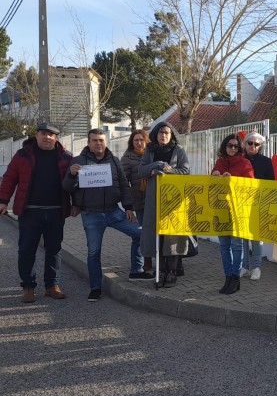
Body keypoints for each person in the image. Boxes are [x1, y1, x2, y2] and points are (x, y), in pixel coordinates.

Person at [63, 129, 144, 302]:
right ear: (89, 143)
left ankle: (136, 271)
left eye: (101, 140)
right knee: (93, 252)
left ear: (105, 142)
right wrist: (72, 175)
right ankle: (95, 287)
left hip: (114, 211)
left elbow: (124, 184)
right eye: (95, 141)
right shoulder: (78, 161)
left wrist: (128, 207)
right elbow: (67, 187)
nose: (98, 143)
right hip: (91, 214)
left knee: (140, 233)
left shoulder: (114, 161)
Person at [0, 122, 74, 303]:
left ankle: (52, 285)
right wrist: (3, 201)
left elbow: (75, 183)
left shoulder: (66, 157)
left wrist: (77, 204)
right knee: (26, 250)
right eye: (43, 133)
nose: (47, 137)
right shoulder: (23, 155)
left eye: (51, 134)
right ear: (37, 135)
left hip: (56, 212)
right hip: (30, 212)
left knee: (54, 250)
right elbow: (9, 178)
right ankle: (28, 286)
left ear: (56, 137)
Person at [138, 122, 190, 288]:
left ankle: (172, 271)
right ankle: (160, 269)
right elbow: (141, 170)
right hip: (154, 199)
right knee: (157, 235)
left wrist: (168, 172)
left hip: (174, 200)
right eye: (161, 132)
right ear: (156, 134)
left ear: (172, 135)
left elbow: (186, 171)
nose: (164, 135)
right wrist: (157, 165)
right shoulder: (150, 150)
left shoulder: (179, 150)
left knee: (172, 235)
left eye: (167, 133)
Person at [212, 134, 254, 294]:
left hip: (238, 210)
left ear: (240, 149)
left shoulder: (245, 163)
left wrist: (234, 180)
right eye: (230, 145)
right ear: (225, 146)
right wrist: (214, 176)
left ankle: (235, 278)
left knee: (237, 245)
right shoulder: (220, 163)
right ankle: (228, 277)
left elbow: (250, 186)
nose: (232, 148)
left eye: (236, 146)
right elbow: (212, 187)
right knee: (224, 246)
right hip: (221, 209)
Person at [240, 130, 275, 281]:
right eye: (250, 143)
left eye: (256, 144)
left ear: (260, 146)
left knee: (256, 237)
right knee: (242, 236)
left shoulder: (266, 162)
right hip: (241, 202)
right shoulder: (238, 160)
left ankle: (256, 267)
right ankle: (245, 266)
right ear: (245, 144)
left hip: (258, 203)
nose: (253, 146)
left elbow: (271, 182)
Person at [121, 128, 154, 278]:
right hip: (139, 201)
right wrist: (128, 205)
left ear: (147, 141)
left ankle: (162, 260)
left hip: (155, 199)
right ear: (132, 142)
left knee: (157, 231)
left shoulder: (153, 155)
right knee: (143, 233)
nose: (139, 143)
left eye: (142, 140)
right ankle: (145, 262)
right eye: (136, 140)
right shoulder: (127, 158)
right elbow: (123, 182)